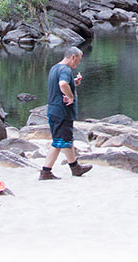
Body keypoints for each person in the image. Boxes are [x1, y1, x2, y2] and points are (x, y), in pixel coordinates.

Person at [39, 46, 92, 181]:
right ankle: (46, 172)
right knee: (58, 142)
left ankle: (75, 168)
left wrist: (73, 83)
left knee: (66, 140)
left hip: (54, 110)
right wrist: (71, 96)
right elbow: (62, 84)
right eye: (78, 60)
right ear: (73, 57)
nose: (78, 63)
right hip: (62, 112)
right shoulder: (65, 70)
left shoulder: (55, 68)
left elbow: (61, 84)